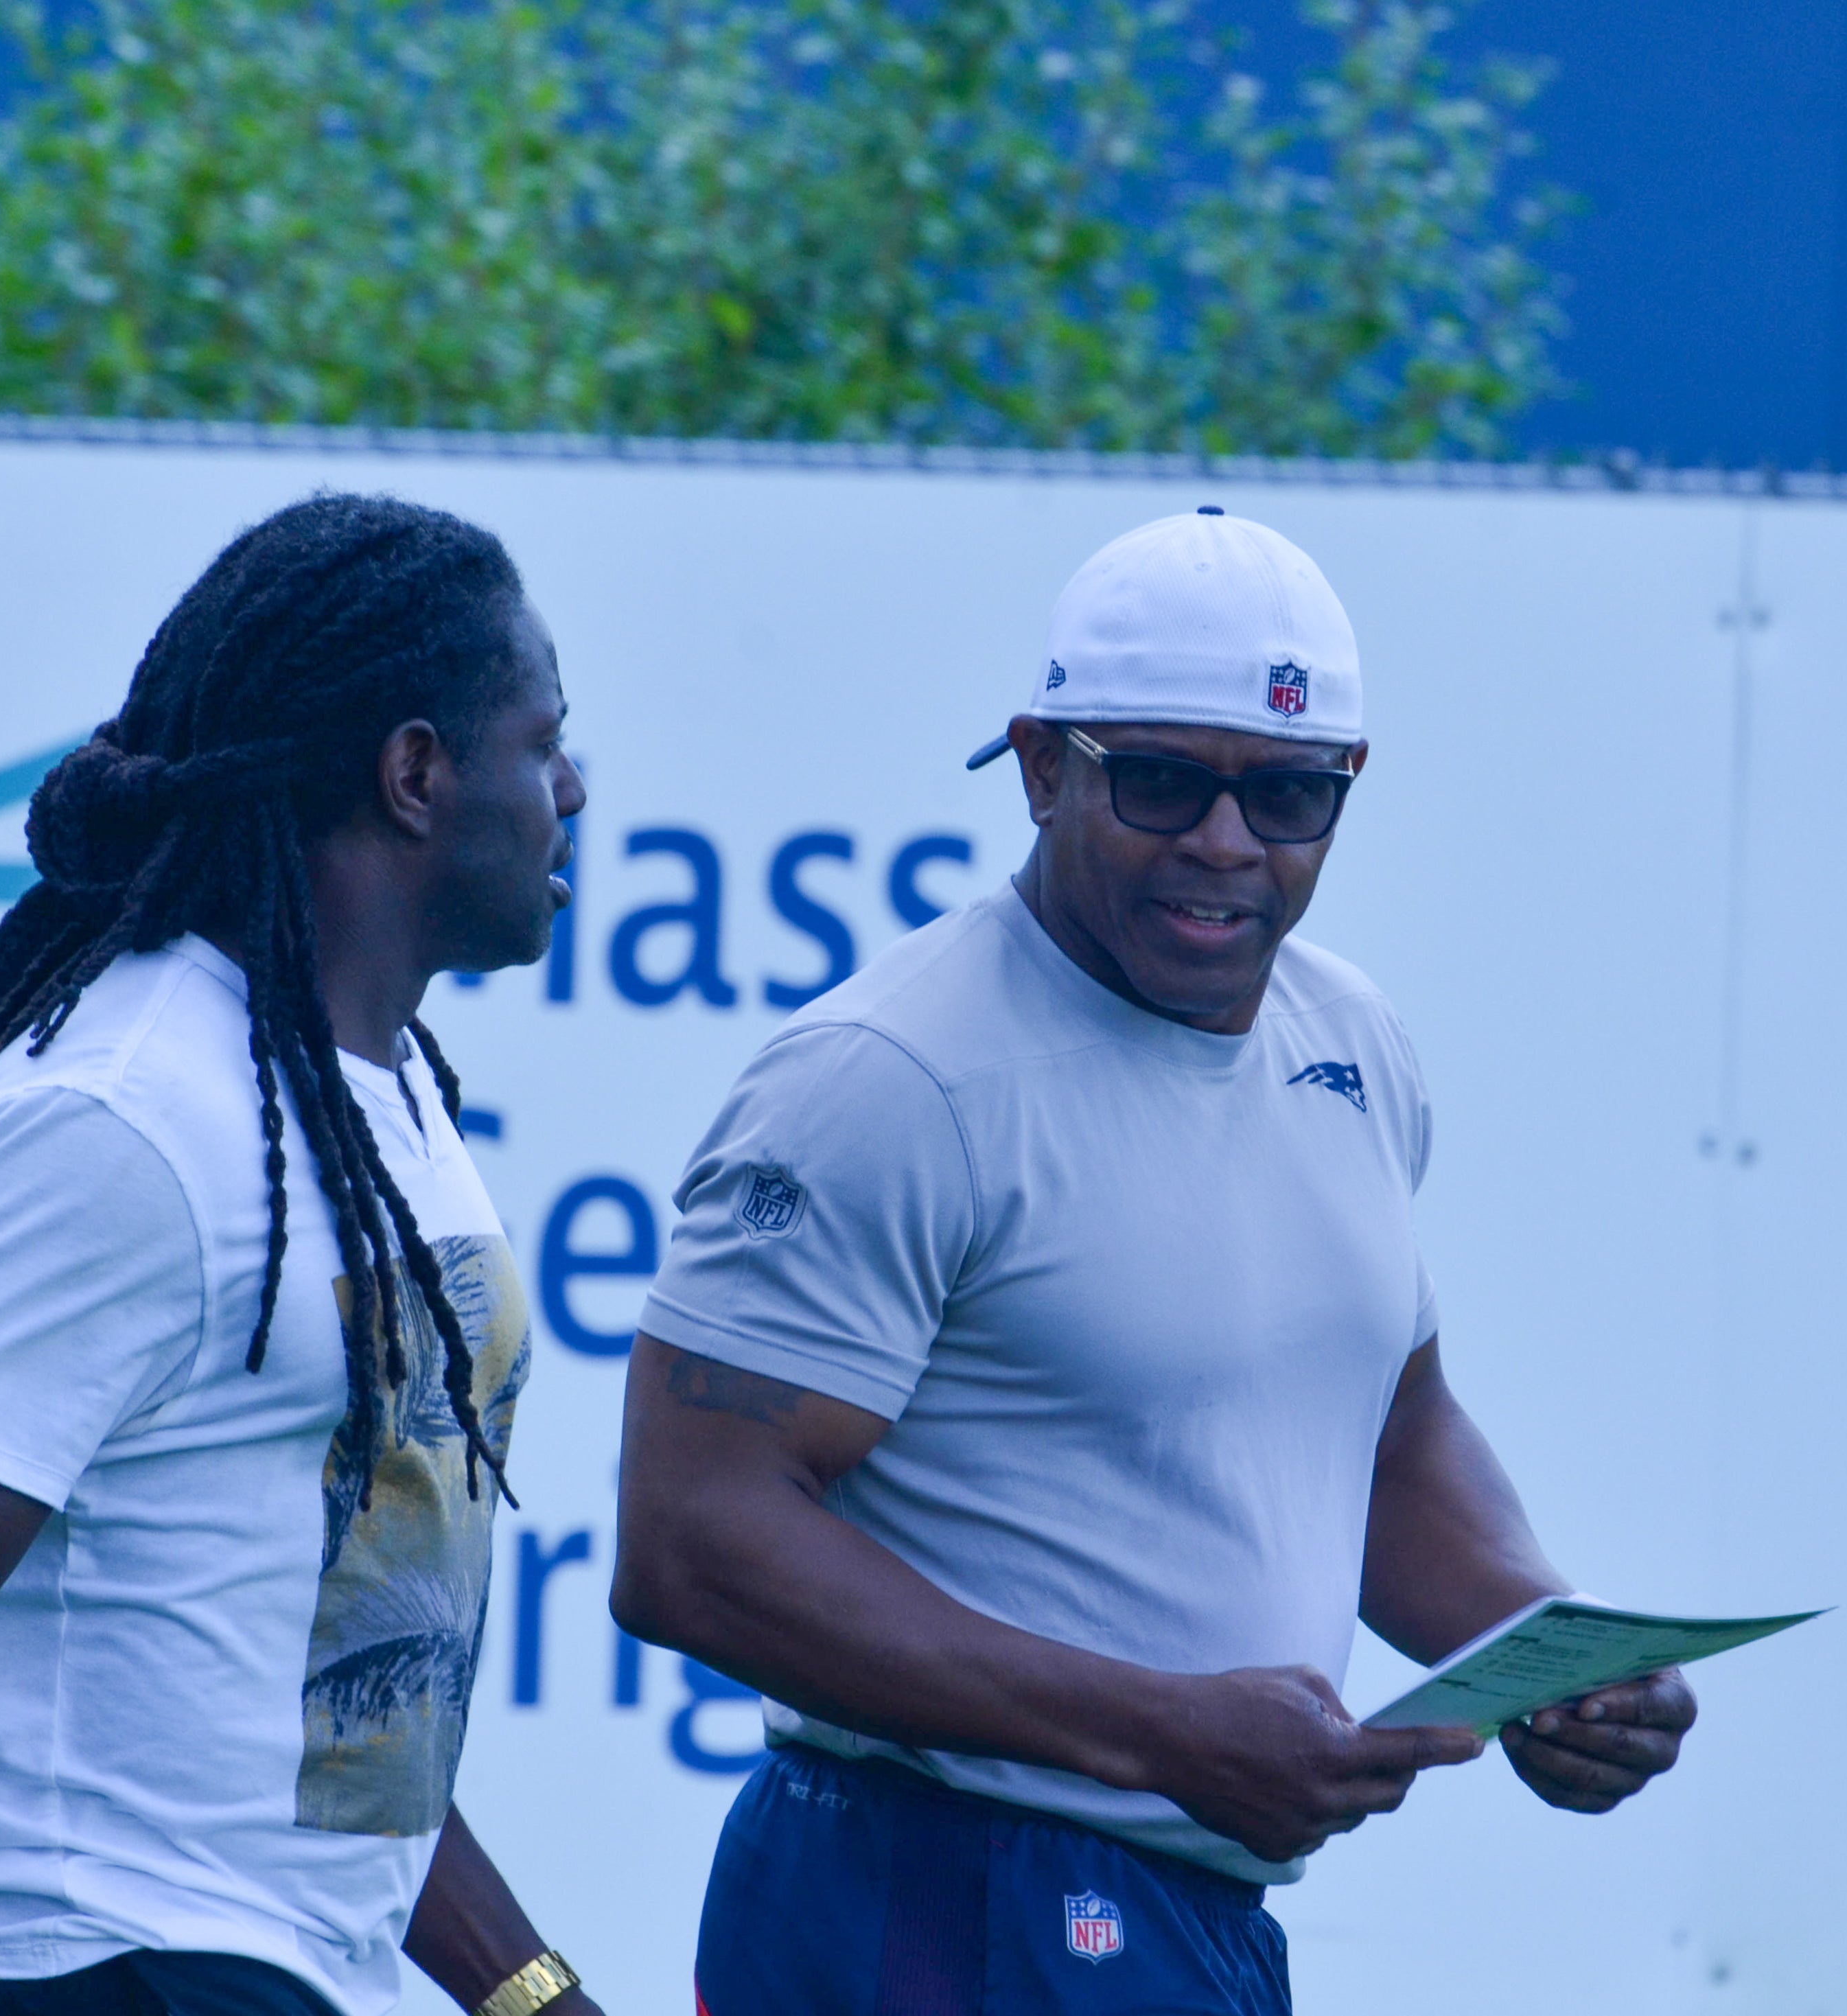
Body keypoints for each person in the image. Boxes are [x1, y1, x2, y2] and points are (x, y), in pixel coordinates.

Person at [611, 507, 1697, 2013]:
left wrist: (1546, 1655)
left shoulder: (1351, 1042)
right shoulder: (893, 1074)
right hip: (927, 1891)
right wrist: (1162, 1735)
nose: (1226, 843)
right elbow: (690, 1542)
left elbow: (1380, 1432)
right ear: (1045, 765)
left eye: (1290, 794)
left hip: (1185, 1907)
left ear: (1348, 788)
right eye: (1167, 780)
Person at [0, 494, 599, 2016]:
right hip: (87, 1961)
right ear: (414, 773)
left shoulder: (385, 1100)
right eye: (542, 740)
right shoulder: (125, 1106)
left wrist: (534, 1996)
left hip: (258, 1971)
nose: (572, 787)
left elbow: (353, 1700)